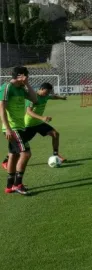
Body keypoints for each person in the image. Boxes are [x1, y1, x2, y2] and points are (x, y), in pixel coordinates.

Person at [2, 83, 67, 170]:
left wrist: (62, 98)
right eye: (46, 92)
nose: (47, 94)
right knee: (19, 145)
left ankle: (56, 155)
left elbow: (53, 96)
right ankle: (6, 161)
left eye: (48, 92)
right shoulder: (32, 97)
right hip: (28, 125)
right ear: (41, 88)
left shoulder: (46, 96)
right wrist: (42, 118)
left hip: (38, 123)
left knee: (55, 134)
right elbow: (29, 111)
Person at [0, 66, 37, 195]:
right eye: (27, 76)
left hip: (19, 127)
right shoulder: (6, 87)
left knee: (13, 155)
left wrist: (27, 84)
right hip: (13, 128)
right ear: (21, 75)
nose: (28, 78)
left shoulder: (21, 88)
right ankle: (18, 184)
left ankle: (10, 186)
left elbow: (34, 99)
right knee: (26, 153)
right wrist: (8, 129)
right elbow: (2, 109)